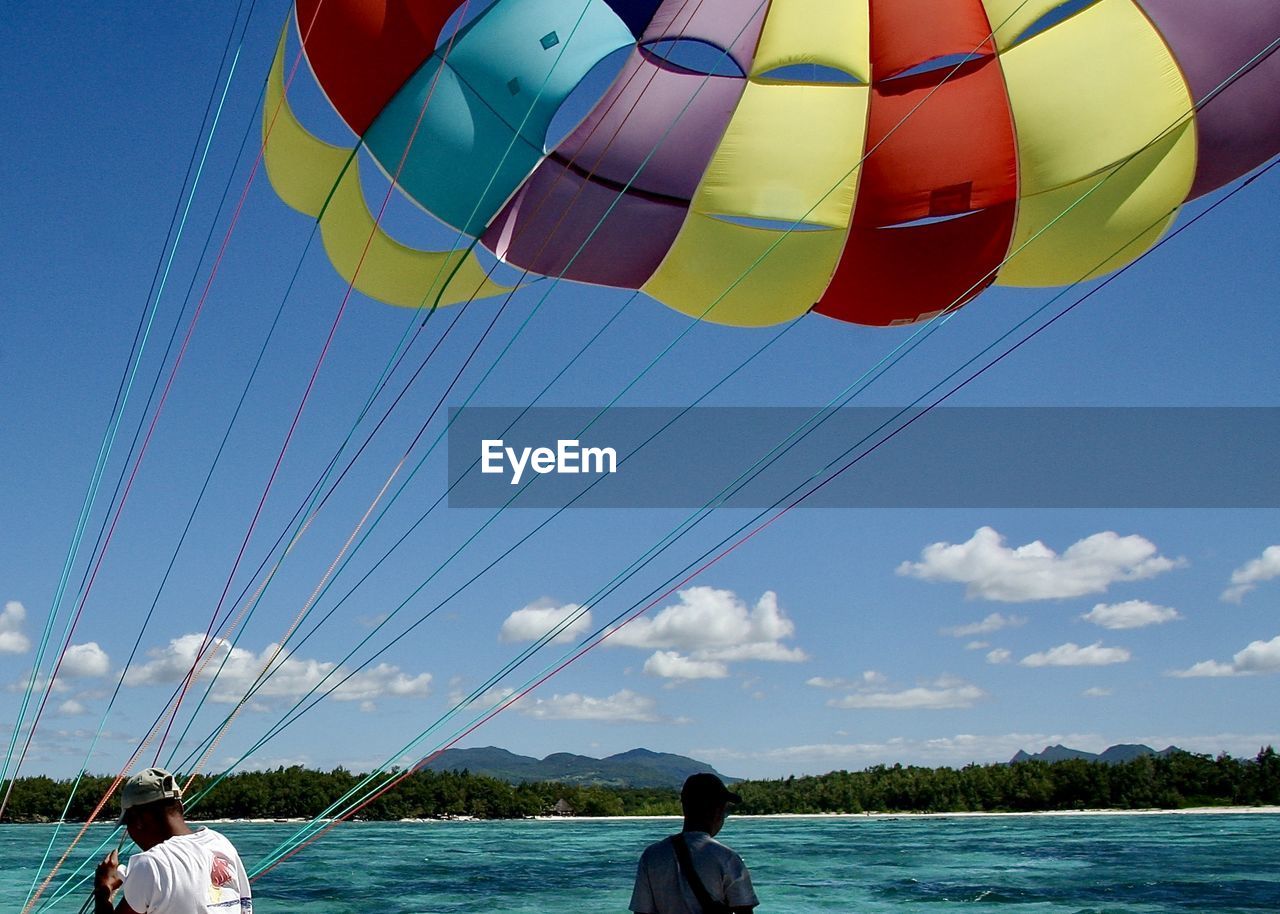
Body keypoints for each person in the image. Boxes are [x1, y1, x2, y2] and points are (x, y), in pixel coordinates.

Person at [94, 767, 252, 914]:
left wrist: (103, 889)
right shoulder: (221, 843)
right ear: (180, 808)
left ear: (139, 820)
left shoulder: (151, 863)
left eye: (127, 824)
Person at [629, 772, 758, 914]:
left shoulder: (651, 856)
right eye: (725, 811)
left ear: (684, 807)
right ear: (717, 812)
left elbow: (641, 912)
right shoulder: (727, 858)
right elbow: (744, 910)